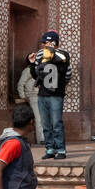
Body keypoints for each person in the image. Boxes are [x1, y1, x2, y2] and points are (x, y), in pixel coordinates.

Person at [29, 31, 71, 159]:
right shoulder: (41, 54)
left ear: (54, 42)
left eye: (46, 42)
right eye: (43, 43)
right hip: (42, 93)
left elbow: (66, 73)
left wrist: (52, 53)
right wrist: (32, 63)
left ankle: (61, 150)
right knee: (45, 123)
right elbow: (36, 75)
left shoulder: (63, 54)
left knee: (56, 122)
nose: (44, 45)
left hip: (56, 94)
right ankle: (50, 148)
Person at [16, 60, 43, 144]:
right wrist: (23, 97)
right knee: (39, 119)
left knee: (44, 118)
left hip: (42, 96)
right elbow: (20, 84)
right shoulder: (28, 70)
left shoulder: (40, 69)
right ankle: (41, 140)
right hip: (33, 96)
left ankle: (45, 139)